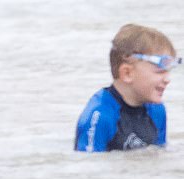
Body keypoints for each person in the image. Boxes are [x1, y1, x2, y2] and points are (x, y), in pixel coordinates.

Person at [75, 23, 179, 152]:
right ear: (127, 73)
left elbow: (158, 156)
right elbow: (87, 165)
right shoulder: (100, 116)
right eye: (159, 71)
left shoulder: (157, 110)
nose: (167, 79)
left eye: (168, 71)